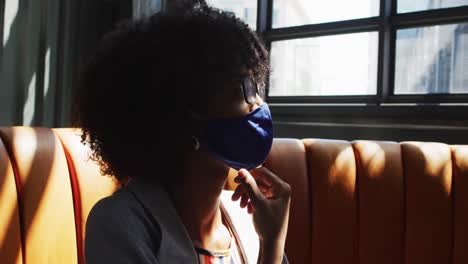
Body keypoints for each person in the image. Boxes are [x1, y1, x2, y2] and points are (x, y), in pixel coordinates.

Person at [75, 1, 291, 263]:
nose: (258, 105)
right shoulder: (120, 223)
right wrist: (271, 248)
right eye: (241, 90)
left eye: (256, 89)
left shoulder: (248, 218)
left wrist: (272, 241)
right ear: (183, 114)